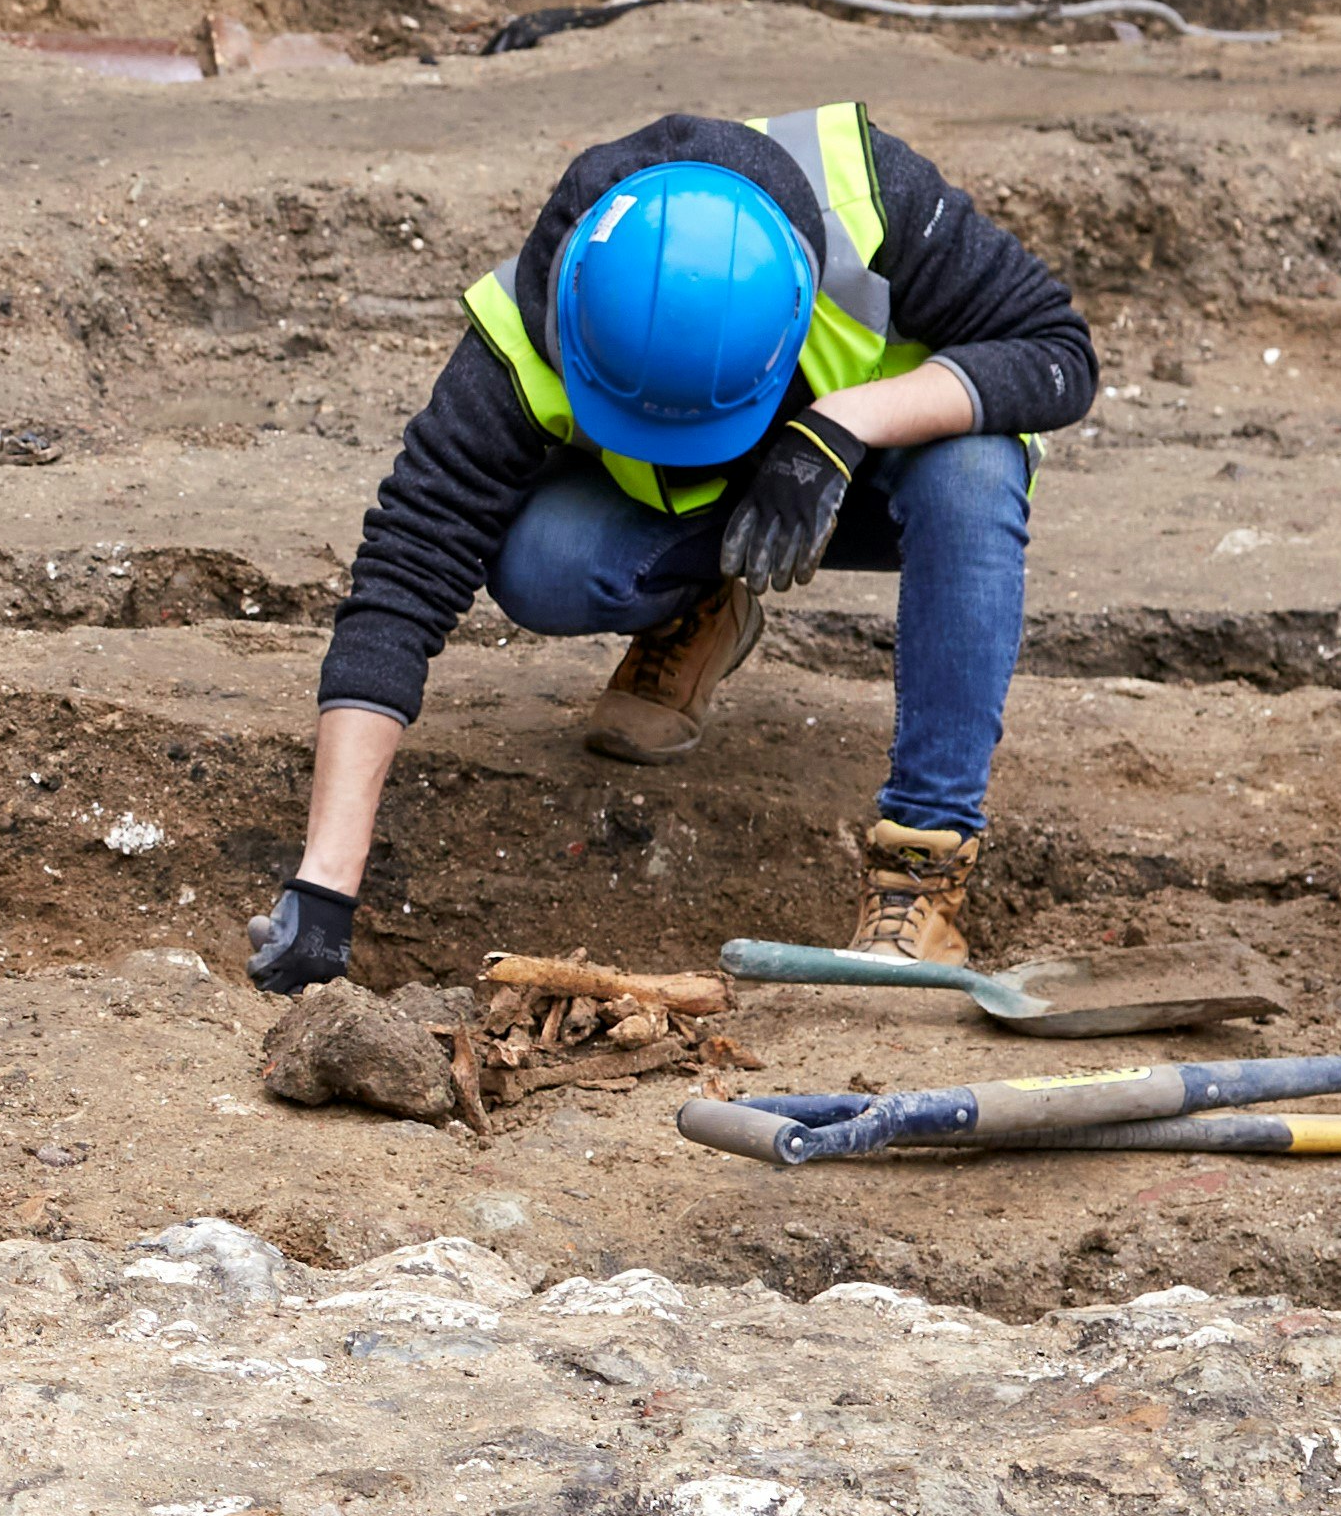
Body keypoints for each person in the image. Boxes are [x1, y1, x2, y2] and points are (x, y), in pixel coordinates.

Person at [247, 101, 1094, 996]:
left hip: (876, 477)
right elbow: (406, 566)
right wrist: (324, 884)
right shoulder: (546, 305)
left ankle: (920, 870)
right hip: (707, 514)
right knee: (544, 557)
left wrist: (846, 420)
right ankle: (702, 605)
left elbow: (1058, 354)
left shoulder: (874, 204)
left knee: (973, 470)